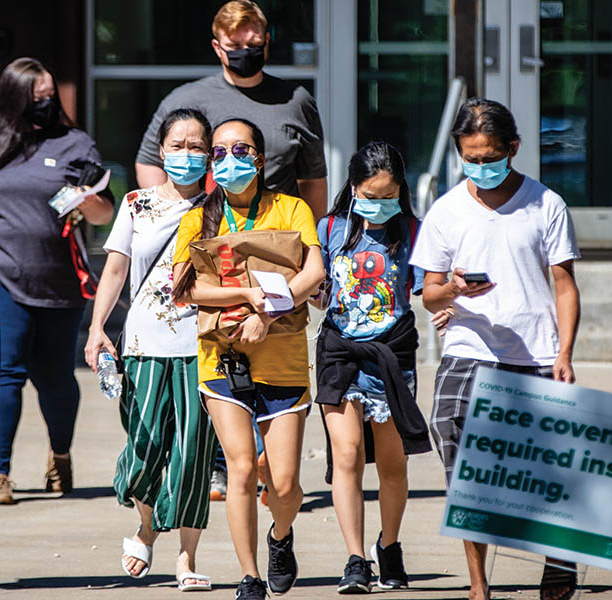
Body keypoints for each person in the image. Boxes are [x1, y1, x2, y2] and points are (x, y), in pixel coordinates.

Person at [409, 97, 581, 600]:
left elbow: (565, 284)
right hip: (469, 343)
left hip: (535, 349)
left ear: (513, 149)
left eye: (489, 156)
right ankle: (479, 584)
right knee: (453, 437)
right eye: (470, 158)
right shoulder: (446, 211)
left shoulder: (545, 204)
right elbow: (430, 293)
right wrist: (455, 289)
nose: (480, 167)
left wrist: (564, 353)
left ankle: (559, 557)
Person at [171, 118, 325, 599]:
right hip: (222, 359)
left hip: (283, 360)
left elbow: (314, 272)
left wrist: (269, 310)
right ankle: (249, 575)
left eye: (240, 150)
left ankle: (281, 535)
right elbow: (186, 288)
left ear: (260, 157)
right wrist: (252, 294)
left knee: (282, 483)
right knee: (239, 469)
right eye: (217, 153)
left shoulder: (291, 208)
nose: (227, 160)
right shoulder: (199, 217)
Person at [0, 57, 114, 505]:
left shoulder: (75, 143)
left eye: (50, 96)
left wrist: (90, 193)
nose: (45, 104)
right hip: (0, 278)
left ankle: (59, 455)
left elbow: (105, 214)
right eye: (35, 97)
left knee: (56, 378)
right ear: (12, 99)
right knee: (4, 375)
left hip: (61, 281)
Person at [83, 108, 216, 592]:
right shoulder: (137, 203)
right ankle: (146, 525)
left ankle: (186, 556)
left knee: (192, 455)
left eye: (196, 146)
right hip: (141, 343)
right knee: (143, 450)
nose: (186, 155)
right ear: (161, 152)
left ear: (209, 154)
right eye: (177, 146)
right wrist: (98, 329)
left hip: (201, 347)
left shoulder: (221, 207)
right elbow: (116, 270)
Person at [315, 142, 450, 594]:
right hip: (339, 351)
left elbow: (426, 291)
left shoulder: (413, 230)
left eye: (387, 195)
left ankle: (388, 546)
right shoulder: (330, 228)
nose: (378, 204)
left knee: (392, 463)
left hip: (392, 352)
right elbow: (318, 287)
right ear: (353, 189)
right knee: (348, 455)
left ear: (401, 192)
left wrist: (447, 305)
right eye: (370, 195)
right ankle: (355, 559)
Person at [136, 0, 327, 222]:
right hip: (205, 228)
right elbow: (149, 162)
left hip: (277, 231)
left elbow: (312, 180)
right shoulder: (184, 100)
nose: (245, 52)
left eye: (253, 43)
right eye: (235, 46)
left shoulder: (297, 101)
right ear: (218, 48)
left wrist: (314, 237)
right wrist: (176, 215)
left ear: (266, 41)